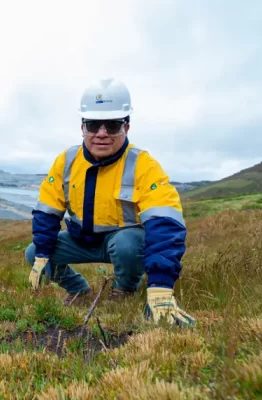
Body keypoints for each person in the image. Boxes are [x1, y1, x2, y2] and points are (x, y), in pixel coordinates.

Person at [24, 77, 195, 327]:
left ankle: (124, 290)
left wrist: (160, 287)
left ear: (126, 127)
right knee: (33, 253)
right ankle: (79, 290)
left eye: (112, 125)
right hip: (82, 240)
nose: (101, 134)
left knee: (126, 244)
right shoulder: (66, 161)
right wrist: (41, 256)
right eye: (93, 125)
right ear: (82, 127)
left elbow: (165, 224)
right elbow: (47, 212)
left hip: (125, 244)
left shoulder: (144, 165)